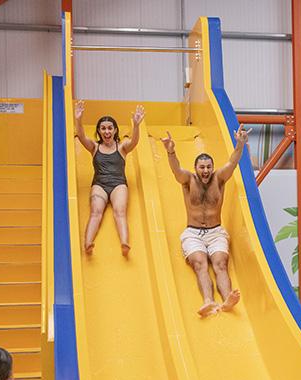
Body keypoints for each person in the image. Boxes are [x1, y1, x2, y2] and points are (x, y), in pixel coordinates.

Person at [160, 124, 251, 317]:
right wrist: (171, 151)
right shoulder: (188, 180)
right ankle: (208, 301)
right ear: (196, 168)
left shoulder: (219, 178)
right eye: (202, 167)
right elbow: (176, 170)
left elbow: (232, 163)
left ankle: (227, 299)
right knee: (200, 263)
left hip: (215, 231)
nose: (206, 170)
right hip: (193, 233)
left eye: (208, 166)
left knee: (220, 264)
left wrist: (240, 145)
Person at [74, 101, 145, 256]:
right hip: (99, 184)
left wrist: (136, 125)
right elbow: (81, 136)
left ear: (115, 130)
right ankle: (88, 242)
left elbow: (134, 142)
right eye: (103, 128)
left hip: (118, 184)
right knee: (96, 212)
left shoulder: (122, 147)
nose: (106, 131)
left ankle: (125, 242)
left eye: (109, 128)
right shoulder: (94, 147)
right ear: (99, 131)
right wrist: (78, 120)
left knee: (120, 211)